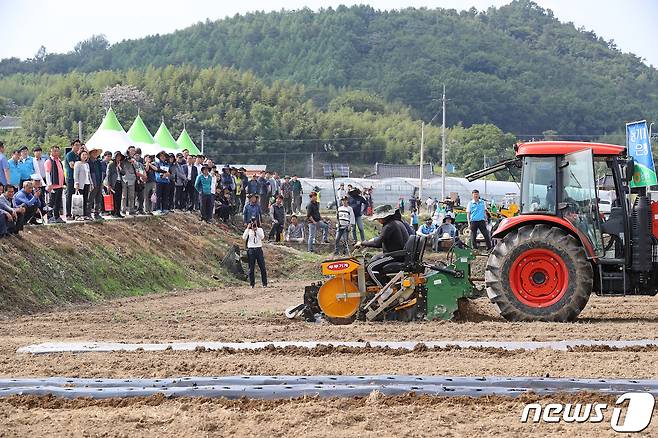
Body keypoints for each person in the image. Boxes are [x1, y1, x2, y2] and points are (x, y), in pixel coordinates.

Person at [355, 208, 409, 287]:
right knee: (374, 258)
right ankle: (385, 282)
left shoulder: (389, 226)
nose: (377, 220)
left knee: (370, 267)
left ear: (383, 217)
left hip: (394, 256)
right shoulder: (393, 223)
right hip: (396, 253)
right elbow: (382, 243)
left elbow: (378, 243)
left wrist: (362, 243)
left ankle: (385, 290)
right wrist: (366, 243)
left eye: (378, 219)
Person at [242, 218, 268, 288]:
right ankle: (252, 284)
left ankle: (264, 283)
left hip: (258, 249)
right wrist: (248, 228)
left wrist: (256, 230)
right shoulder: (248, 230)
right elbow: (244, 237)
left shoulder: (260, 229)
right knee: (251, 268)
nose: (253, 224)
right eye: (252, 223)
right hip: (251, 249)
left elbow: (262, 237)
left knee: (262, 267)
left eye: (255, 223)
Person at [44, 146, 66, 223]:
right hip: (53, 186)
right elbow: (47, 173)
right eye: (54, 151)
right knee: (51, 202)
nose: (56, 153)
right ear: (51, 152)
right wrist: (49, 184)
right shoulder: (49, 161)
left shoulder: (59, 161)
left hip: (60, 185)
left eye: (57, 151)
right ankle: (49, 217)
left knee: (58, 202)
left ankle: (57, 216)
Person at [73, 150, 93, 220]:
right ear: (80, 156)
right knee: (79, 200)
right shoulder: (78, 163)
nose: (85, 156)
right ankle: (78, 215)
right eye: (83, 155)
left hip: (87, 183)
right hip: (80, 184)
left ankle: (84, 214)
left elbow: (89, 174)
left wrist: (91, 184)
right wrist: (76, 183)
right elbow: (75, 174)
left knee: (85, 199)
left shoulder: (87, 164)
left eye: (86, 155)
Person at [65, 139, 81, 219]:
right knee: (69, 195)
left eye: (79, 145)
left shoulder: (78, 155)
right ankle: (68, 214)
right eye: (76, 145)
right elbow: (72, 166)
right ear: (72, 145)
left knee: (76, 195)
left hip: (77, 178)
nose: (78, 147)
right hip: (70, 177)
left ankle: (76, 213)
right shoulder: (70, 154)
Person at [105, 151, 125, 218]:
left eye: (120, 156)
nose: (118, 158)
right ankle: (113, 213)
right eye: (117, 156)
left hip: (120, 182)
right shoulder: (111, 164)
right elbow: (108, 175)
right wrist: (109, 185)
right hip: (113, 183)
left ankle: (118, 212)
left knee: (119, 198)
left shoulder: (121, 164)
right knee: (113, 198)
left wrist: (119, 167)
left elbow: (123, 173)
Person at [87, 148, 104, 221]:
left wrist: (102, 182)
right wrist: (92, 183)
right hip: (92, 183)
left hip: (99, 182)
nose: (95, 154)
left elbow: (102, 172)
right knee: (90, 199)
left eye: (96, 153)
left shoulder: (98, 162)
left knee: (98, 199)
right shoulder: (88, 162)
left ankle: (97, 213)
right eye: (93, 153)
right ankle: (88, 214)